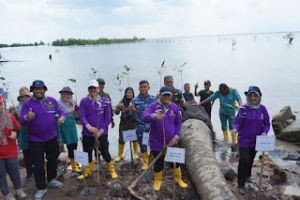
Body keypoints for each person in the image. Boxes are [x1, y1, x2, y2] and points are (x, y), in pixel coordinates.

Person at [20, 80, 65, 199]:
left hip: (51, 137)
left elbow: (61, 111)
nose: (39, 91)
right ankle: (41, 187)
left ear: (44, 89)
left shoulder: (51, 101)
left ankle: (51, 179)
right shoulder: (27, 104)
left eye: (41, 89)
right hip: (35, 140)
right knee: (38, 164)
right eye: (36, 89)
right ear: (32, 90)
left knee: (52, 159)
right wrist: (27, 117)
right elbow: (22, 120)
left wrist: (62, 117)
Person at [142, 86, 188, 191]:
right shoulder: (153, 106)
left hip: (172, 140)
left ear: (171, 96)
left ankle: (178, 179)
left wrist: (176, 136)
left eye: (168, 95)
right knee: (158, 163)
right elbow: (144, 116)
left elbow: (179, 122)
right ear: (160, 95)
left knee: (175, 162)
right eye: (164, 95)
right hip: (156, 141)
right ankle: (158, 180)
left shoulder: (174, 107)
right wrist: (154, 116)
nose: (166, 97)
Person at [231, 86, 270, 195]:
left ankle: (247, 176)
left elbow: (267, 124)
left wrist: (264, 133)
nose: (253, 97)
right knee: (244, 161)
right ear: (248, 96)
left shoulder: (263, 109)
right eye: (251, 95)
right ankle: (241, 184)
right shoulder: (243, 109)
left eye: (255, 95)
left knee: (251, 159)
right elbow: (237, 122)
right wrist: (235, 129)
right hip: (243, 140)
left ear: (259, 97)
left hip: (257, 141)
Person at [78, 80, 118, 180]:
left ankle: (111, 169)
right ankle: (88, 171)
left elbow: (108, 118)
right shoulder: (84, 101)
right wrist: (89, 127)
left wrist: (100, 131)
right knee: (87, 152)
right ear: (88, 90)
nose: (92, 90)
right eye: (90, 88)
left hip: (102, 133)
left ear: (98, 89)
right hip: (87, 132)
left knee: (104, 152)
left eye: (94, 88)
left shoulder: (105, 101)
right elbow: (82, 116)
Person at [0, 96, 27, 200]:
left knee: (14, 171)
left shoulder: (10, 116)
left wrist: (15, 133)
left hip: (10, 151)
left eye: (0, 105)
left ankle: (18, 190)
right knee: (1, 175)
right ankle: (7, 194)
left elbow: (17, 130)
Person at [129, 80, 156, 170]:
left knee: (154, 144)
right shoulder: (134, 100)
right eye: (141, 87)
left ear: (148, 87)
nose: (143, 89)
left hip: (152, 126)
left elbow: (159, 111)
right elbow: (129, 114)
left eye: (145, 87)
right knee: (143, 145)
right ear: (139, 88)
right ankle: (145, 162)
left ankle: (154, 159)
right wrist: (130, 110)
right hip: (141, 126)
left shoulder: (154, 99)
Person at [57, 87, 80, 174]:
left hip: (71, 126)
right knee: (58, 147)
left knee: (73, 144)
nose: (65, 95)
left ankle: (74, 165)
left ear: (71, 95)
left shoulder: (73, 103)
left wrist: (77, 108)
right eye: (64, 93)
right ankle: (54, 165)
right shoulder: (57, 103)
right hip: (60, 127)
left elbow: (78, 118)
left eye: (68, 94)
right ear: (61, 94)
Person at [114, 87, 138, 162]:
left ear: (133, 94)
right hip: (124, 123)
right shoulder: (121, 101)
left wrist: (134, 109)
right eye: (128, 92)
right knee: (121, 139)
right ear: (125, 93)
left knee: (134, 139)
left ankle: (136, 153)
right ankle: (119, 155)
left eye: (131, 93)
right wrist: (118, 107)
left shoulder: (136, 101)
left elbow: (140, 111)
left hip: (133, 123)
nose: (129, 94)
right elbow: (116, 112)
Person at [15, 87, 34, 182]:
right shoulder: (17, 108)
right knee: (26, 154)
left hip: (34, 131)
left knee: (36, 152)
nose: (24, 98)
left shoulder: (34, 104)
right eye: (22, 96)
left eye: (26, 96)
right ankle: (29, 173)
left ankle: (37, 171)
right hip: (23, 133)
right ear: (20, 98)